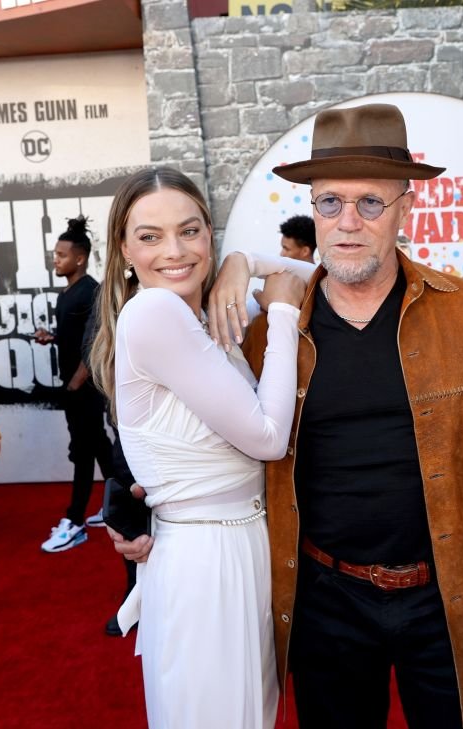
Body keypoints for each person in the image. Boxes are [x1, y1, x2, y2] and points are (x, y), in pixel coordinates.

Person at [204, 103, 463, 729]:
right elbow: (213, 438)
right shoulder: (270, 337)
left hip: (448, 598)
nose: (347, 223)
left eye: (371, 203)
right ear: (313, 210)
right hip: (325, 601)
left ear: (407, 209)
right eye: (330, 203)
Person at [89, 167, 305, 728]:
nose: (175, 251)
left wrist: (244, 262)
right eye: (150, 236)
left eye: (191, 231)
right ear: (123, 248)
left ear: (211, 233)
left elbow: (333, 278)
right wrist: (279, 314)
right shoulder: (155, 313)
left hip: (240, 545)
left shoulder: (202, 315)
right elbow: (268, 438)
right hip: (206, 561)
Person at [35, 216, 115, 552]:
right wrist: (51, 338)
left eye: (62, 255)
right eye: (55, 254)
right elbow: (73, 338)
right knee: (99, 448)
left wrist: (75, 384)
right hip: (74, 387)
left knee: (82, 452)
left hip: (84, 389)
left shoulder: (90, 291)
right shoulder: (67, 293)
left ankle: (75, 521)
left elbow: (96, 341)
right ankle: (117, 506)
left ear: (79, 258)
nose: (56, 259)